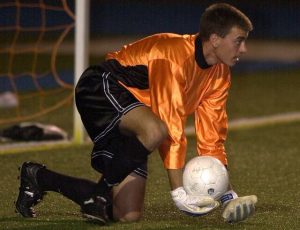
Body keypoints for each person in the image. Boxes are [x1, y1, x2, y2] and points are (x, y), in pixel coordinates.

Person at [15, 3, 257, 225]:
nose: (244, 49)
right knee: (156, 130)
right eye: (239, 40)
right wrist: (179, 193)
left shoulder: (220, 74)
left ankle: (39, 177)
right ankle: (98, 195)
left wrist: (227, 195)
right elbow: (169, 124)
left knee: (126, 214)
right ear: (215, 39)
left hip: (135, 120)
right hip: (101, 88)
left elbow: (212, 134)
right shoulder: (173, 55)